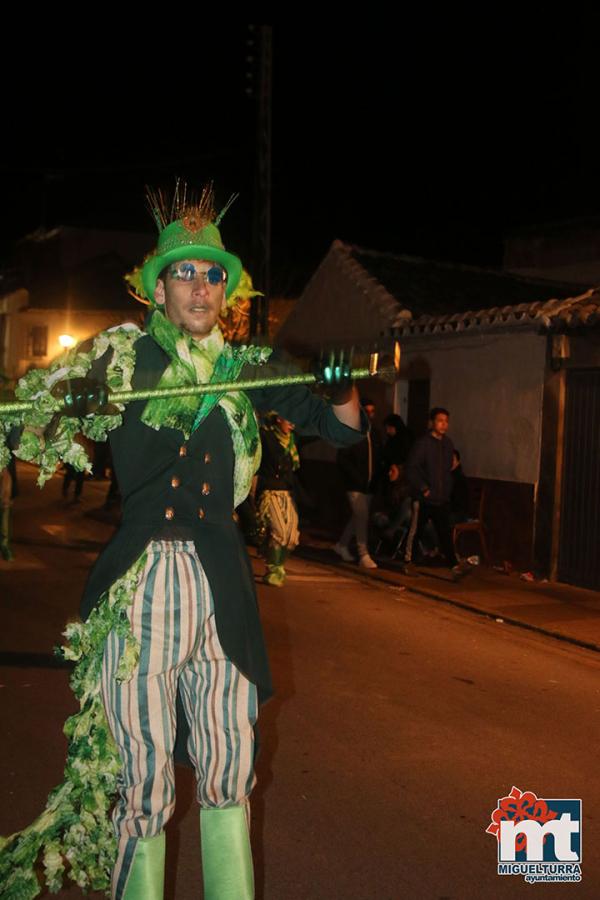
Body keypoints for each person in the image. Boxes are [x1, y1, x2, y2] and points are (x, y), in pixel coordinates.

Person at [0, 185, 366, 900]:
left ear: (225, 289)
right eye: (184, 273)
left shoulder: (246, 366)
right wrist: (69, 410)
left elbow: (343, 427)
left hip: (223, 589)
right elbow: (22, 423)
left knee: (230, 773)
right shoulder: (116, 357)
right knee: (143, 779)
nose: (200, 286)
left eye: (212, 273)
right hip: (138, 592)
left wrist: (342, 383)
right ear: (157, 289)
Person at [402, 407, 468, 580]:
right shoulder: (422, 444)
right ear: (432, 422)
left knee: (444, 532)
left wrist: (447, 488)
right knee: (416, 530)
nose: (443, 424)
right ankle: (409, 561)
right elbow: (411, 468)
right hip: (424, 497)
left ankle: (454, 565)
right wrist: (423, 487)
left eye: (446, 421)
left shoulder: (448, 444)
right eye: (440, 421)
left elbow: (447, 469)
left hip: (441, 497)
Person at [334, 397, 381, 568]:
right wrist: (355, 478)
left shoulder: (374, 434)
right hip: (354, 485)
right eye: (365, 411)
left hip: (368, 485)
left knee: (358, 517)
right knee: (361, 515)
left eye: (372, 412)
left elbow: (377, 458)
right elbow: (343, 459)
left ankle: (342, 544)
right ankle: (363, 553)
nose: (369, 415)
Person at [256, 413, 300, 586]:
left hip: (287, 492)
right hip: (270, 491)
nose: (292, 424)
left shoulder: (292, 441)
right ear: (279, 419)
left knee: (291, 536)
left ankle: (279, 566)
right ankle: (273, 568)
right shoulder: (266, 436)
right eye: (289, 419)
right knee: (279, 532)